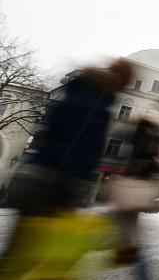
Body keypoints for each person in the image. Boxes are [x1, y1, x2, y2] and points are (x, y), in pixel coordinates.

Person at [0, 59, 133, 279]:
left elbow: (49, 133)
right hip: (54, 183)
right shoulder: (97, 104)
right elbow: (79, 147)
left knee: (19, 253)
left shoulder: (75, 92)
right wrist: (66, 191)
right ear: (118, 82)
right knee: (49, 254)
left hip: (36, 174)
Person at [111, 97, 159, 279]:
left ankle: (136, 266)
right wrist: (158, 163)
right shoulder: (158, 125)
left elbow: (134, 146)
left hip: (131, 183)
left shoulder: (152, 122)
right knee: (129, 234)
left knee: (128, 233)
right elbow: (144, 155)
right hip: (134, 185)